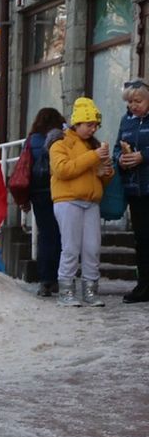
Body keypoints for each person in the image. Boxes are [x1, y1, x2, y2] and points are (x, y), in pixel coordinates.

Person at [50, 96, 115, 308]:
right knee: (71, 247)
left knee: (92, 248)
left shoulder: (93, 147)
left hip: (91, 202)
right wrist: (94, 158)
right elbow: (63, 170)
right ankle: (66, 291)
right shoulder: (59, 144)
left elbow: (100, 178)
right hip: (68, 200)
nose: (93, 129)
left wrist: (106, 172)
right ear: (76, 123)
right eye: (89, 124)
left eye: (95, 125)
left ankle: (90, 290)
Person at [116, 79, 149, 303]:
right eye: (129, 102)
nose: (133, 106)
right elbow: (118, 146)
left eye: (138, 101)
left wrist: (143, 156)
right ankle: (144, 286)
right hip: (135, 190)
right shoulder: (125, 121)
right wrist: (121, 159)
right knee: (142, 240)